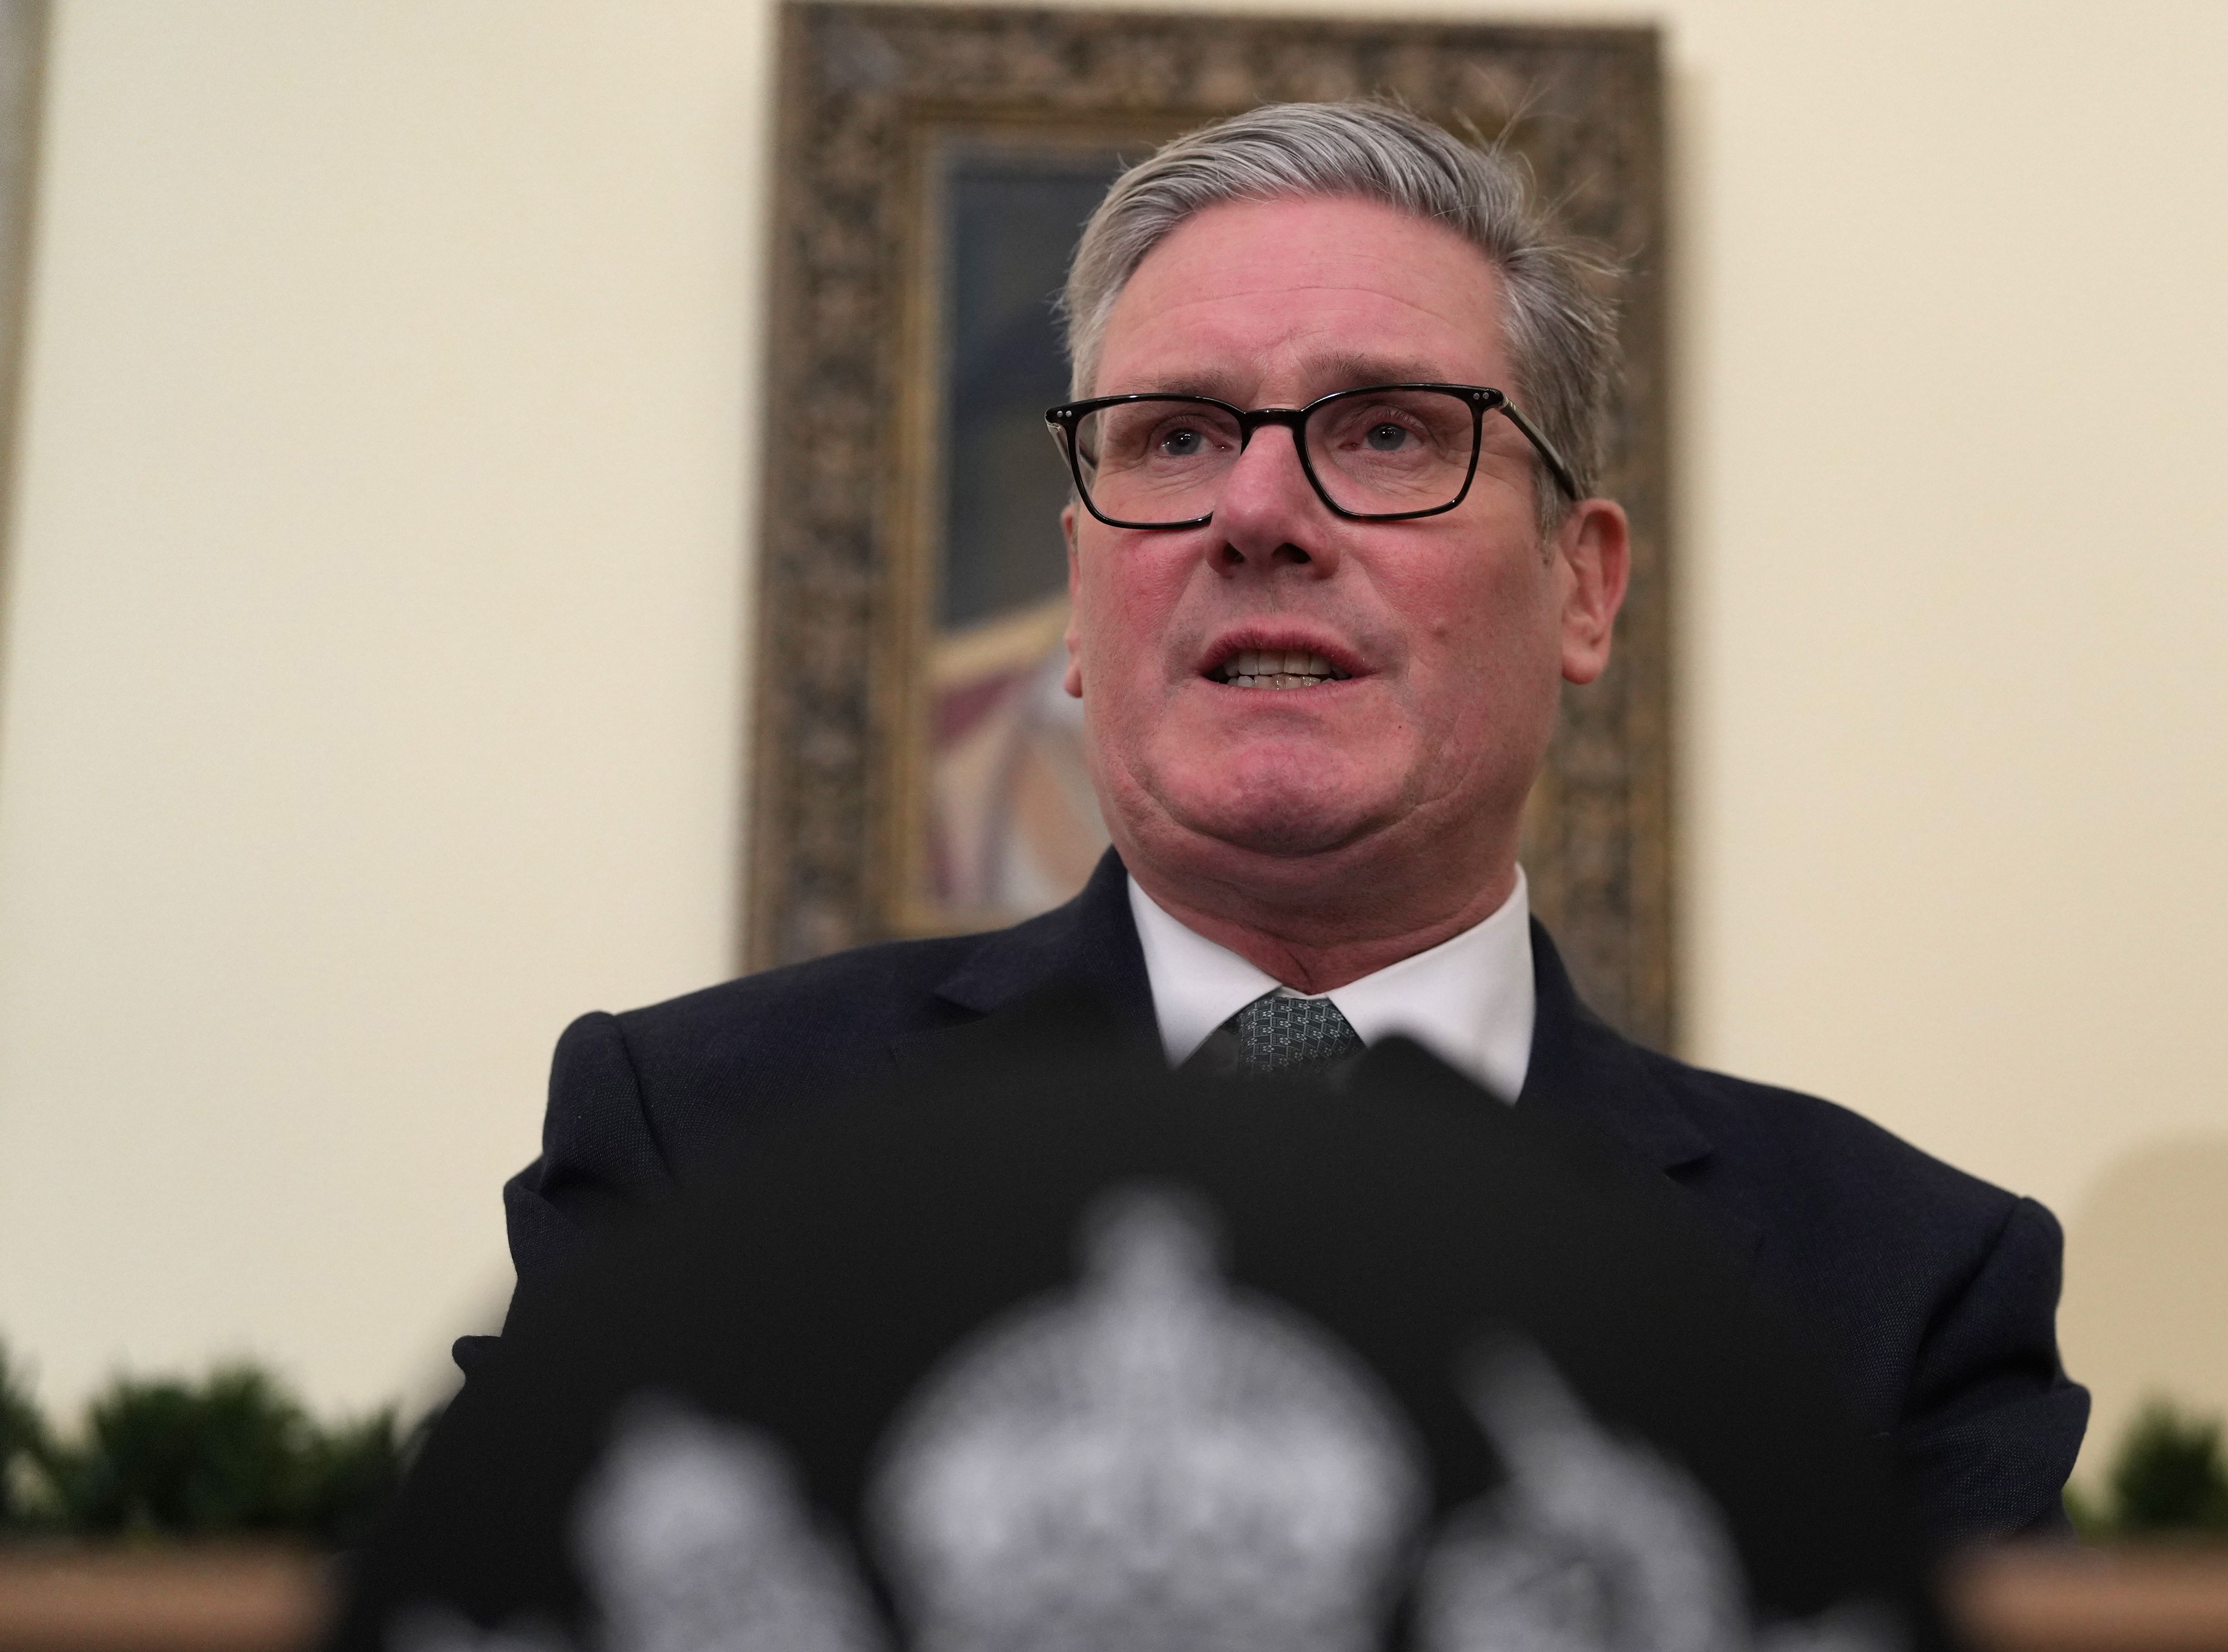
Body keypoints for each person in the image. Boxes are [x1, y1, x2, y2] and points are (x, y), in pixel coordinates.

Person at [463, 101, 2087, 1547]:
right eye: (1173, 439)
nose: (1254, 513)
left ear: (1580, 586)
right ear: (1079, 613)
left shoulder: (1901, 1288)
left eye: (1383, 430)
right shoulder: (699, 1146)